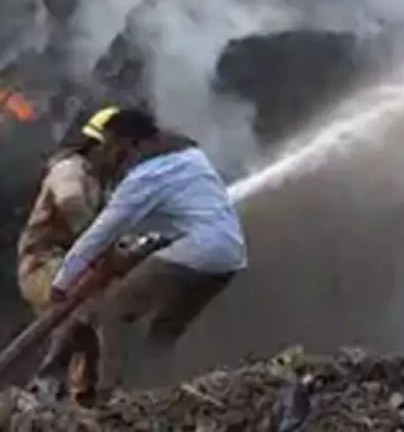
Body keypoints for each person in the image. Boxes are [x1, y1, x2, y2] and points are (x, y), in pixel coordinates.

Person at [33, 107, 247, 401]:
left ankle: (109, 396)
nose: (109, 154)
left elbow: (100, 234)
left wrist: (63, 281)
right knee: (165, 328)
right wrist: (137, 249)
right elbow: (180, 212)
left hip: (199, 250)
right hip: (231, 256)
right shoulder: (190, 157)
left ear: (125, 141)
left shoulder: (145, 178)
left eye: (110, 144)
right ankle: (153, 384)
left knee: (116, 310)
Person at [15, 105, 123, 406]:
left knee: (91, 331)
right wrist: (97, 242)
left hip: (71, 262)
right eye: (120, 150)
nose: (123, 159)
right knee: (81, 305)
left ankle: (81, 399)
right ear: (101, 145)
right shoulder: (70, 169)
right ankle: (45, 384)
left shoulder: (101, 183)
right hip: (42, 263)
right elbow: (71, 202)